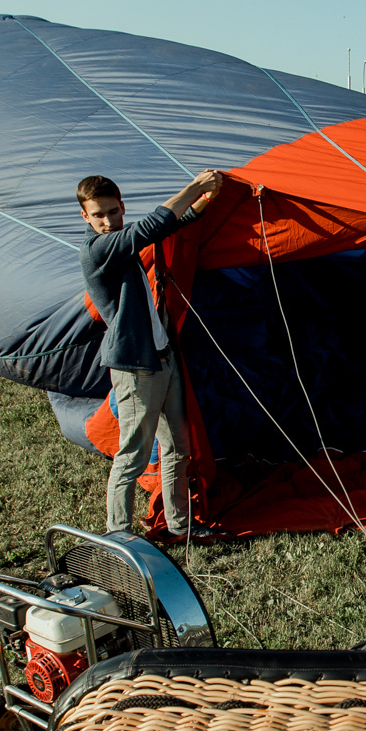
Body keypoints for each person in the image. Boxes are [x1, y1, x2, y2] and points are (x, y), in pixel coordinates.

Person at [77, 168, 227, 542]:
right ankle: (118, 537)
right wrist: (194, 187)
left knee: (178, 448)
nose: (107, 221)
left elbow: (167, 228)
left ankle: (180, 525)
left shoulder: (120, 242)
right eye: (98, 215)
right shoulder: (97, 250)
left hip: (163, 358)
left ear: (121, 206)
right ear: (85, 216)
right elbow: (151, 227)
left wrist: (203, 203)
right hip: (135, 367)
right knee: (133, 455)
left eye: (113, 212)